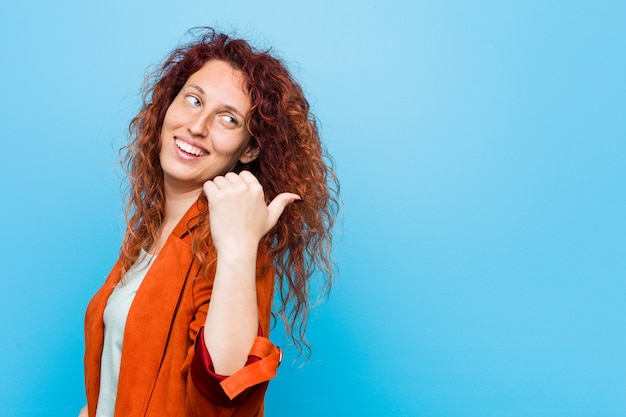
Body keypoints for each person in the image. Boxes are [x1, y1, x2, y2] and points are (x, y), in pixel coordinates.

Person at [80, 27, 339, 417]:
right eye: (193, 100)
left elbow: (226, 392)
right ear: (169, 106)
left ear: (249, 148)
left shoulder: (232, 244)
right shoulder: (148, 233)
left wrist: (238, 247)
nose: (198, 126)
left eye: (228, 119)